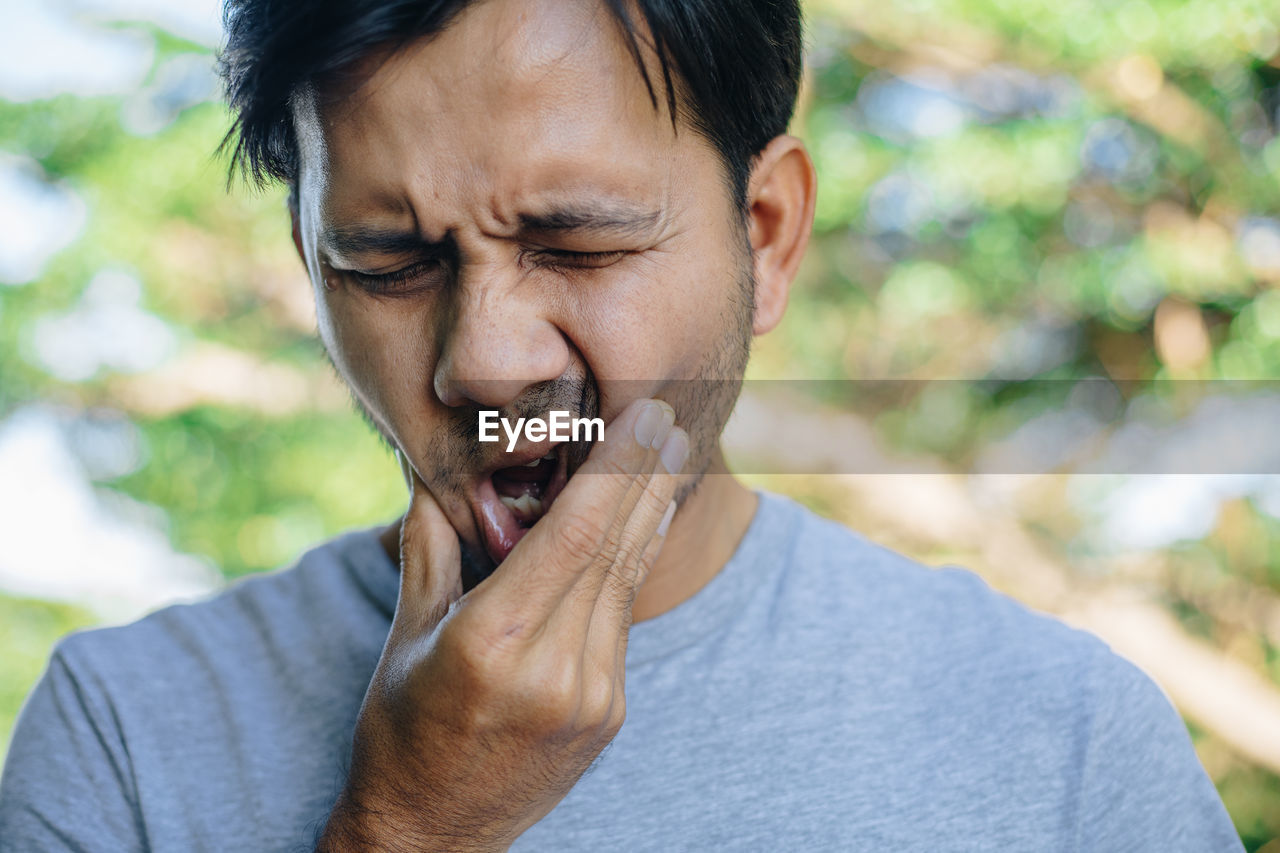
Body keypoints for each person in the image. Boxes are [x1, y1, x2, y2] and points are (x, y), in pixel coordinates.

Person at [0, 1, 1245, 850]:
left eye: (577, 243)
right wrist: (410, 826)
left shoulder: (1065, 742)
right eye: (385, 263)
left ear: (766, 237)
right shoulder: (122, 738)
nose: (485, 364)